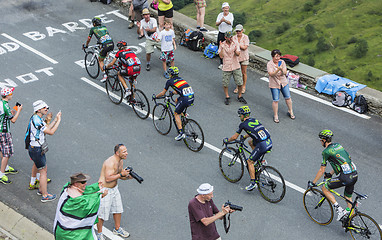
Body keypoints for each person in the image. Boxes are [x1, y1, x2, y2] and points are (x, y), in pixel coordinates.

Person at [308, 130, 358, 221]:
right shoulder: (338, 145)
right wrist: (330, 174)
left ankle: (339, 210)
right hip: (354, 174)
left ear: (324, 140)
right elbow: (342, 162)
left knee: (324, 188)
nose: (320, 142)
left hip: (346, 177)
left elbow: (321, 170)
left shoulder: (326, 152)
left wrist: (313, 183)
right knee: (348, 197)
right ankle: (351, 221)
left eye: (320, 140)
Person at [223, 106, 272, 191]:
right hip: (269, 142)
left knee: (249, 162)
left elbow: (234, 137)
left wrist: (227, 140)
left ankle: (253, 183)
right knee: (250, 142)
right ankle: (260, 161)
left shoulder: (243, 124)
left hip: (262, 145)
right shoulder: (254, 120)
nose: (239, 117)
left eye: (240, 115)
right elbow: (255, 131)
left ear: (243, 115)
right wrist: (245, 136)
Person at [53, 173, 108, 240]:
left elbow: (85, 190)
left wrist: (97, 186)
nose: (85, 184)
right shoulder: (79, 201)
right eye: (83, 182)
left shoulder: (66, 189)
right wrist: (100, 196)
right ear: (76, 183)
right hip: (71, 235)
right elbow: (90, 202)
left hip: (60, 230)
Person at [26, 100, 61, 202]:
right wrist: (58, 120)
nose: (47, 109)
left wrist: (54, 120)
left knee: (41, 168)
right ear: (39, 109)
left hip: (34, 148)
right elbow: (51, 132)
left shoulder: (37, 118)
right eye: (45, 108)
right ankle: (44, 195)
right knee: (43, 172)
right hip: (37, 149)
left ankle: (41, 189)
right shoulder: (37, 120)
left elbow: (46, 128)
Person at [96, 144, 133, 240]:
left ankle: (117, 228)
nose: (127, 153)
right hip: (105, 191)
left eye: (126, 151)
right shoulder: (110, 162)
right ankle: (99, 234)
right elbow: (108, 178)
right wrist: (121, 174)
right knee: (102, 214)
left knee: (118, 209)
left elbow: (120, 176)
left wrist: (128, 177)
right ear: (117, 153)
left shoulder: (120, 161)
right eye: (124, 152)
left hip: (114, 188)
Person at [153, 66, 194, 141]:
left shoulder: (169, 81)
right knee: (176, 100)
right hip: (191, 97)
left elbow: (163, 93)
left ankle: (181, 133)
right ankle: (183, 114)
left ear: (171, 74)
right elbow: (180, 90)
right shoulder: (181, 79)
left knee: (176, 113)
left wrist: (156, 97)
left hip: (185, 99)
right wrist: (173, 92)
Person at [0, 87, 22, 184]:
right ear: (8, 95)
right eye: (11, 94)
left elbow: (8, 115)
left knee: (1, 149)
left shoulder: (2, 103)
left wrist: (14, 110)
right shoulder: (5, 106)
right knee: (7, 153)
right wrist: (19, 110)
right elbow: (13, 120)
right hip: (4, 132)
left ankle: (6, 167)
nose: (12, 95)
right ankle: (1, 174)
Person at [267, 49, 295, 123]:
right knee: (276, 100)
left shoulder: (282, 62)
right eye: (276, 56)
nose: (278, 58)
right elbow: (271, 74)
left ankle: (290, 111)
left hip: (283, 82)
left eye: (279, 56)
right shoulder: (269, 64)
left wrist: (282, 70)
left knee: (288, 97)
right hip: (274, 83)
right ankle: (276, 115)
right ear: (273, 57)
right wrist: (277, 70)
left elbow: (285, 72)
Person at [83, 17, 115, 83]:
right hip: (111, 43)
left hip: (105, 45)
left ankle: (105, 75)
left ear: (94, 24)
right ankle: (107, 66)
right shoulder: (104, 27)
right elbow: (104, 36)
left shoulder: (93, 29)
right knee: (105, 53)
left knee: (100, 60)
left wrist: (86, 45)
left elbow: (89, 39)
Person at [218, 31, 246, 105]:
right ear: (225, 37)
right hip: (227, 66)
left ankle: (240, 96)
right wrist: (222, 48)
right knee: (225, 83)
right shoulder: (222, 44)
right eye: (229, 37)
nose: (230, 38)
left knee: (240, 83)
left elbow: (238, 54)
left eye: (231, 37)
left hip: (235, 65)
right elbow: (221, 56)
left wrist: (235, 50)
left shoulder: (235, 43)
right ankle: (227, 96)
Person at [216, 2, 233, 69]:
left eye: (227, 8)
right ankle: (221, 63)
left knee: (229, 48)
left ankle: (229, 63)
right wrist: (221, 21)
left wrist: (224, 20)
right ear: (222, 9)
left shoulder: (231, 15)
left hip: (228, 33)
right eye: (224, 8)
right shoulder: (220, 15)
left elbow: (230, 23)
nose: (226, 9)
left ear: (228, 8)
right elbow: (216, 23)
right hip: (221, 32)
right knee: (220, 47)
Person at [232, 24, 249, 94]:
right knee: (237, 73)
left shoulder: (245, 37)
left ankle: (244, 86)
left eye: (239, 31)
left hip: (244, 57)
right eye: (237, 31)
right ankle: (238, 86)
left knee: (243, 72)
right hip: (236, 57)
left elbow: (245, 47)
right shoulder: (233, 38)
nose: (238, 32)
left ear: (242, 30)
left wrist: (238, 45)